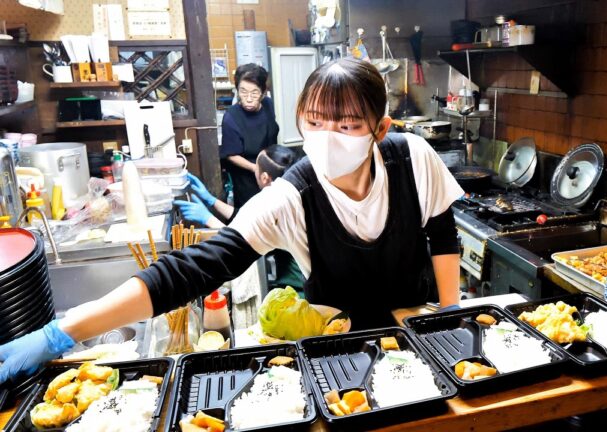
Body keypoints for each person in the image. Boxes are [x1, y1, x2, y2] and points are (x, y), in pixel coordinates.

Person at [0, 58, 463, 384]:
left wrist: (450, 318)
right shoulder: (292, 196)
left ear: (379, 130)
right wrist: (62, 331)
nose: (327, 139)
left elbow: (443, 237)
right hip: (335, 351)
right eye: (315, 123)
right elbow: (193, 269)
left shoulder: (413, 158)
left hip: (414, 329)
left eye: (347, 127)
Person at [174, 145, 305, 289]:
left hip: (299, 291)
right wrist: (212, 200)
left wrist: (208, 219)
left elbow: (243, 241)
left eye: (256, 166)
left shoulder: (278, 206)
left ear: (264, 178)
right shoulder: (290, 193)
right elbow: (249, 221)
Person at [220, 63, 279, 208]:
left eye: (254, 92)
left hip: (271, 170)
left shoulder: (268, 105)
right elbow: (231, 154)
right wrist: (256, 169)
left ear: (264, 92)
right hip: (247, 178)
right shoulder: (231, 117)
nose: (248, 98)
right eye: (243, 92)